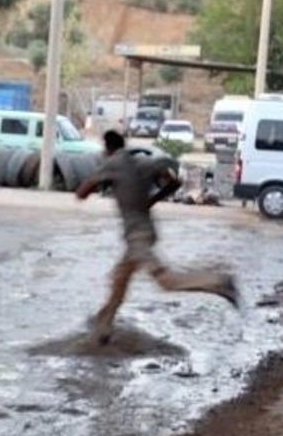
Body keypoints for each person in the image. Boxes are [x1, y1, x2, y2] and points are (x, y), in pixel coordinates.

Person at [75, 130, 238, 344]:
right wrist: (151, 200)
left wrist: (99, 179)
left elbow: (81, 193)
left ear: (107, 147)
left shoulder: (112, 163)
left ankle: (219, 281)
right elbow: (175, 181)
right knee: (119, 280)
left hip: (137, 238)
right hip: (144, 233)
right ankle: (102, 329)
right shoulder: (139, 161)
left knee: (166, 281)